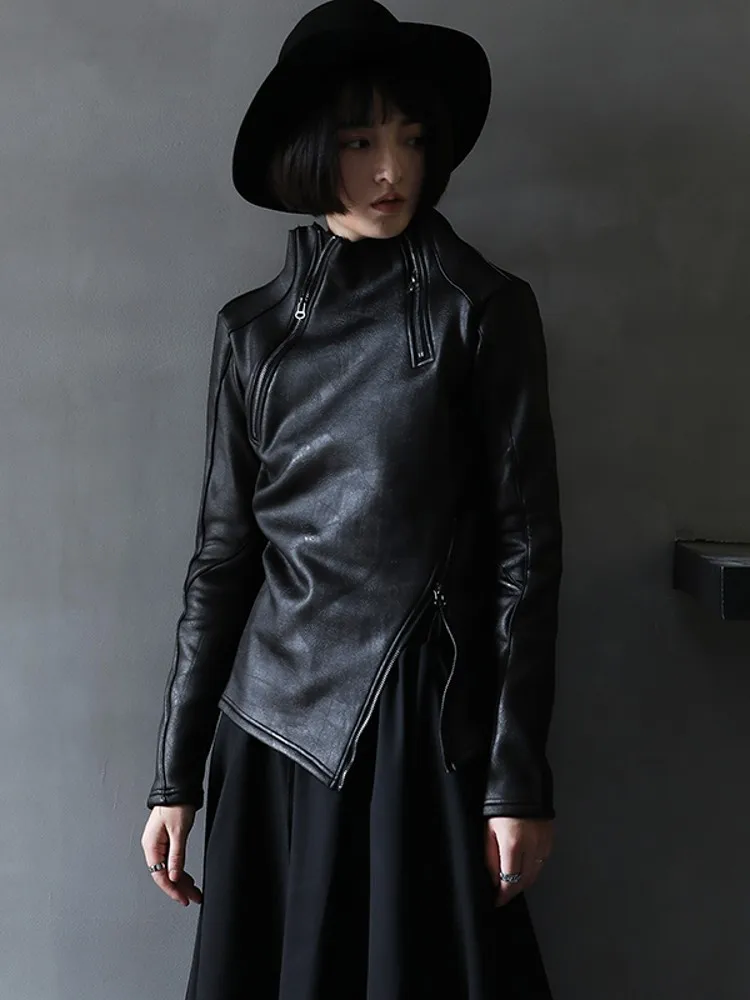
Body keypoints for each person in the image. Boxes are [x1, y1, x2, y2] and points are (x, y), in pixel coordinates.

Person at [140, 2, 563, 998]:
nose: (391, 171)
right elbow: (222, 561)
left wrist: (517, 777)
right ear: (310, 149)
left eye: (410, 140)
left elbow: (526, 554)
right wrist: (175, 775)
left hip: (420, 730)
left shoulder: (482, 309)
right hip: (268, 731)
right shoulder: (250, 333)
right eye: (360, 142)